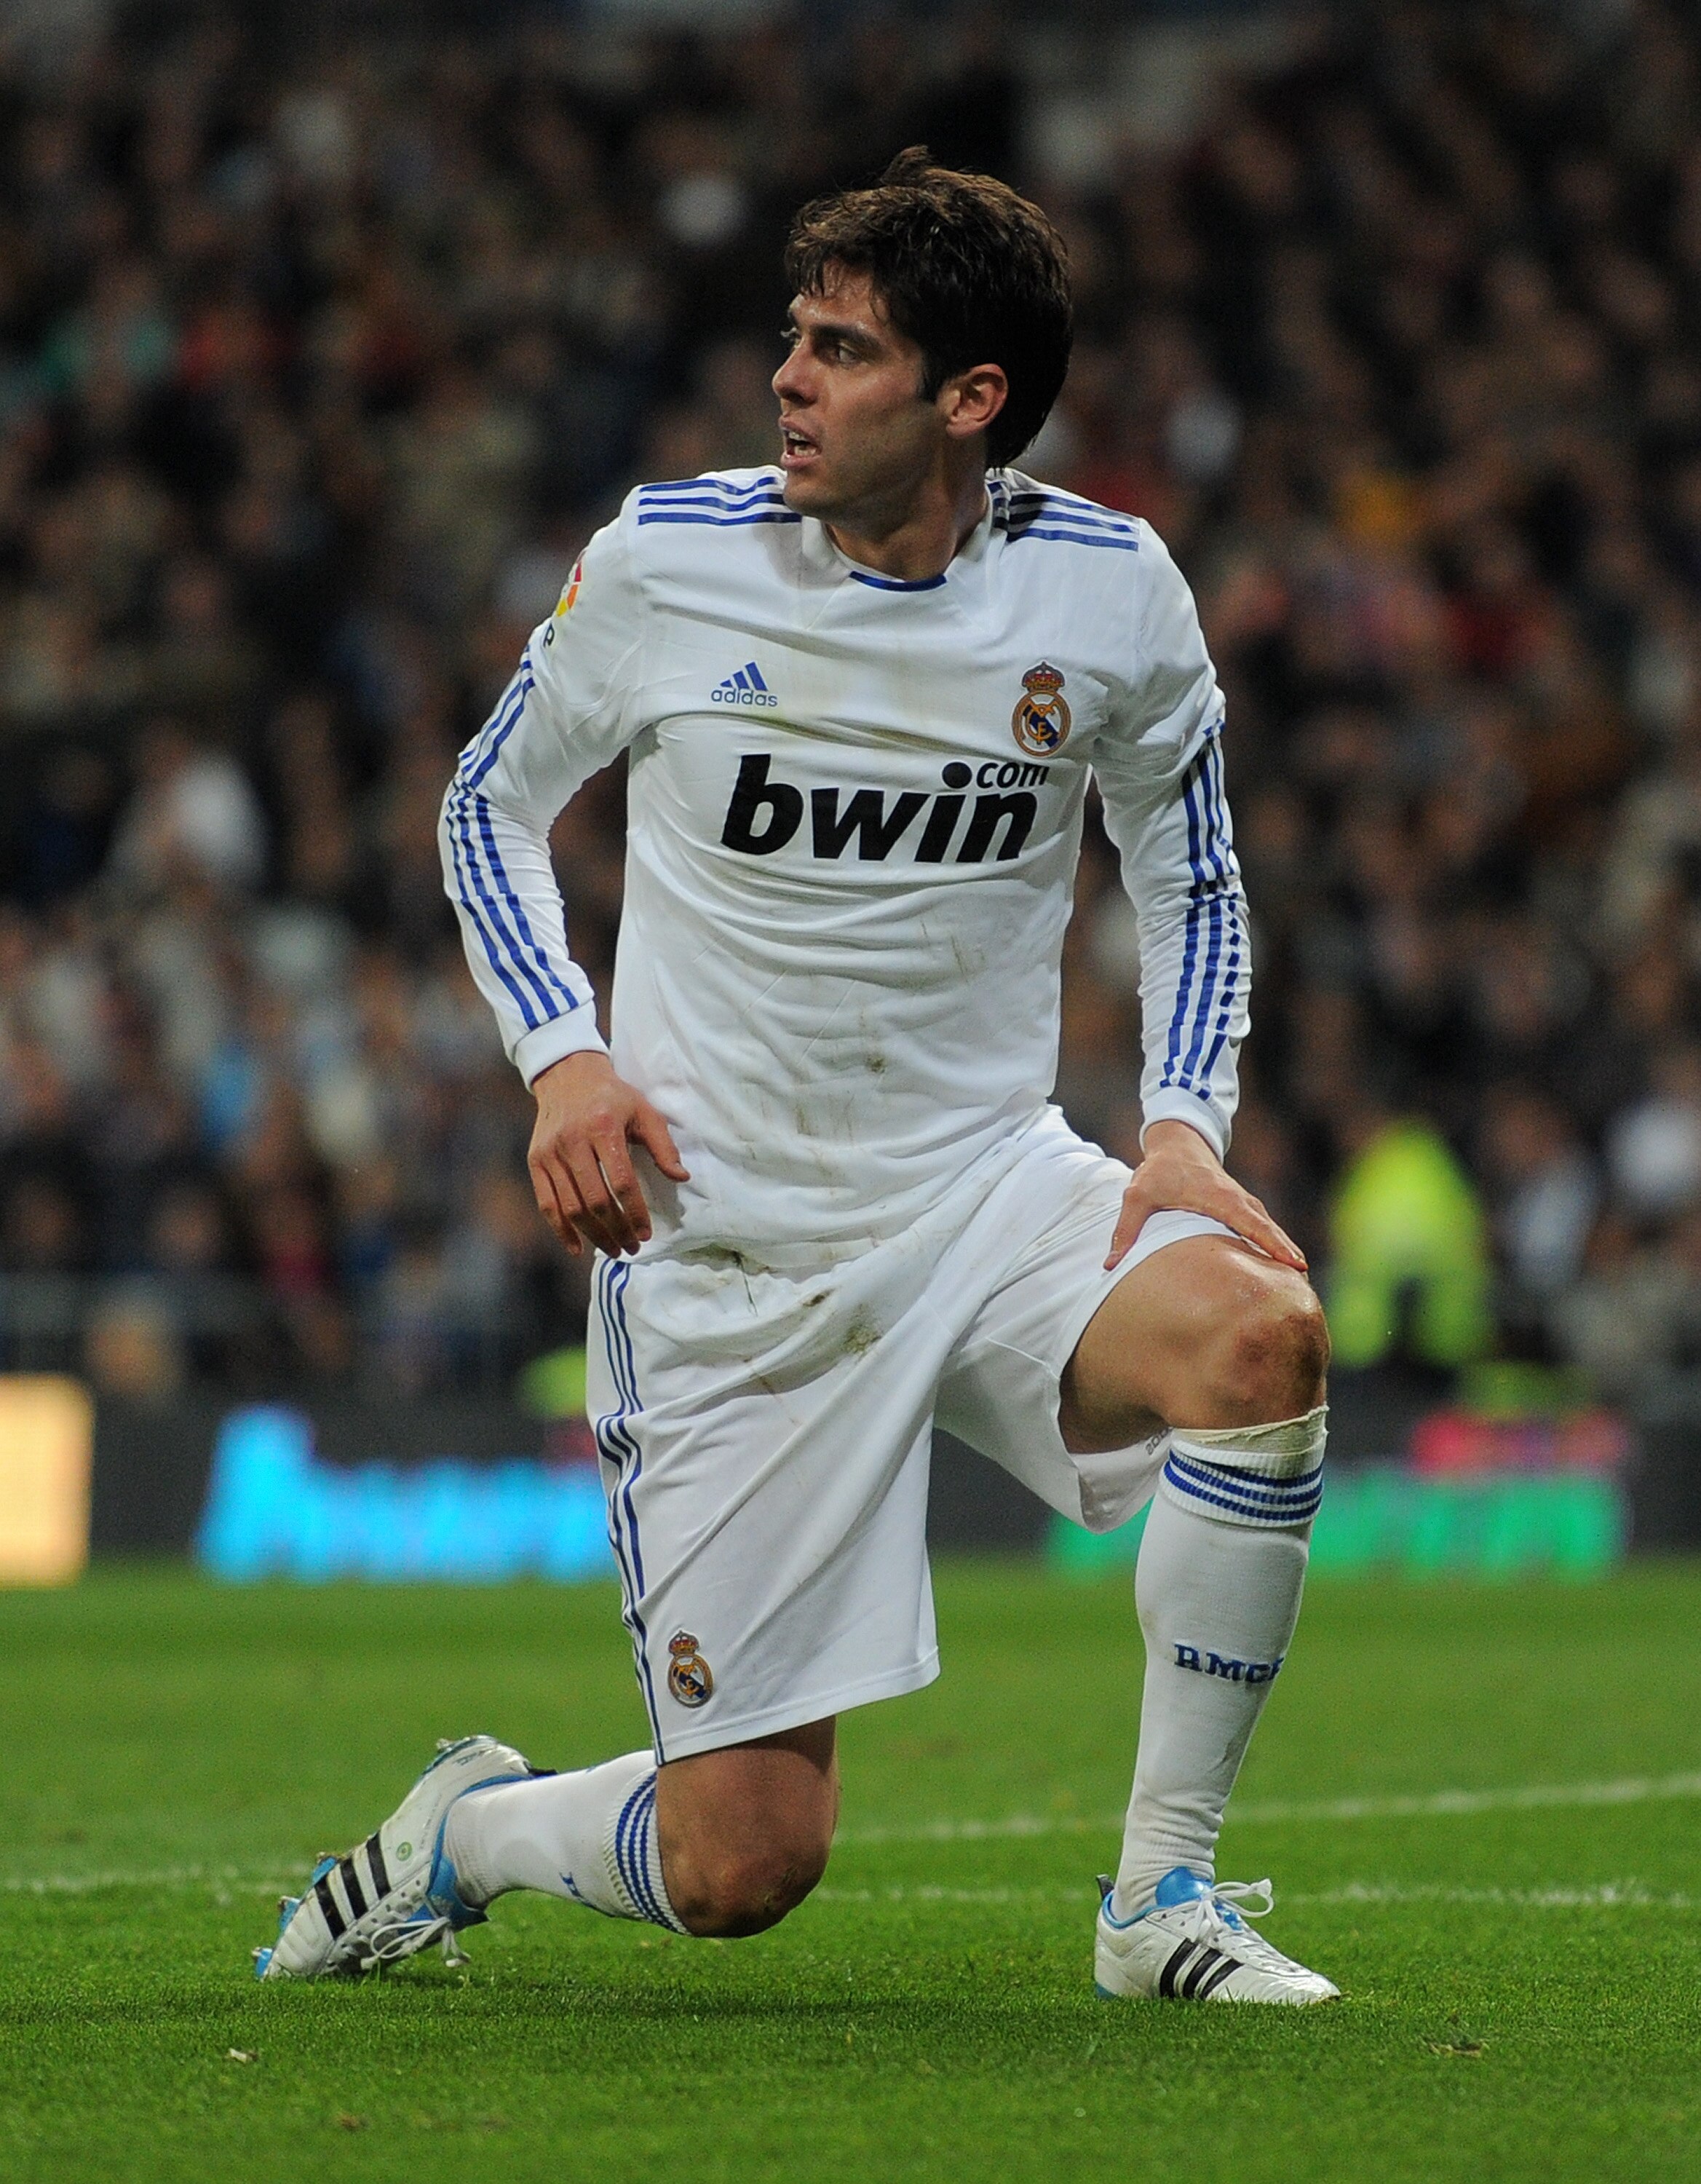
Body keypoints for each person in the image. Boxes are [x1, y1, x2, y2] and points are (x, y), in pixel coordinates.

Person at [258, 151, 1335, 2005]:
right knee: (743, 1865)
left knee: (1259, 1340)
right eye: (794, 338)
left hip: (987, 1191)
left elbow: (1193, 867)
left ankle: (1163, 1901)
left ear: (967, 400)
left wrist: (1177, 1130)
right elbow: (484, 805)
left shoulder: (1109, 597)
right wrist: (565, 1062)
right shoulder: (670, 559)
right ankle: (464, 1834)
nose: (788, 381)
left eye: (839, 351)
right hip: (730, 1251)